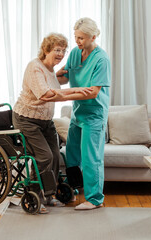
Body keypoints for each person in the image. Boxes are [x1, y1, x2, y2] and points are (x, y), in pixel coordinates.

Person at [12, 33, 92, 214]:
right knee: (44, 156)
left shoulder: (50, 70)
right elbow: (46, 94)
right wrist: (76, 90)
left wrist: (74, 74)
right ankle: (35, 195)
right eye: (57, 50)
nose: (61, 54)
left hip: (45, 121)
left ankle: (49, 195)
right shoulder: (35, 67)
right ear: (46, 49)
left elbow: (57, 84)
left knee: (55, 156)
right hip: (27, 120)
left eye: (63, 51)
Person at [41, 18, 111, 210]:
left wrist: (61, 95)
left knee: (91, 158)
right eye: (76, 37)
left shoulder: (101, 59)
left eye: (81, 38)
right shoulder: (74, 54)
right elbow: (64, 78)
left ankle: (95, 199)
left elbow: (94, 91)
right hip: (78, 113)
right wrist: (47, 78)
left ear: (93, 37)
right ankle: (74, 188)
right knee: (71, 154)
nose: (78, 41)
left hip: (94, 115)